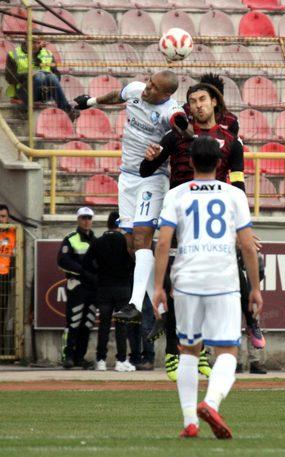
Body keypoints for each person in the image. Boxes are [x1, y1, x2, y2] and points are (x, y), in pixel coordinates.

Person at [140, 75, 265, 381]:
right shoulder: (176, 135)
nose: (197, 106)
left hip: (216, 214)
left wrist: (240, 223)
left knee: (238, 268)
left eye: (202, 100)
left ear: (214, 103)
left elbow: (238, 183)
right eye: (192, 101)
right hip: (181, 212)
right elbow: (146, 170)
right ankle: (173, 351)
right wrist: (150, 158)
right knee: (175, 284)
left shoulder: (230, 140)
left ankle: (248, 321)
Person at [152, 136, 263, 438]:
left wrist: (158, 286)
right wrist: (254, 287)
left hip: (185, 279)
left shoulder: (176, 194)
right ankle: (211, 403)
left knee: (188, 349)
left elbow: (163, 242)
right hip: (223, 279)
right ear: (219, 163)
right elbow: (248, 246)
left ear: (189, 162)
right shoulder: (233, 195)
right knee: (227, 349)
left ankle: (190, 421)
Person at [74, 70, 183, 322]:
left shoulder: (170, 111)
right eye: (149, 82)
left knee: (143, 238)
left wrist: (174, 135)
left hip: (152, 178)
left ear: (166, 94)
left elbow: (182, 128)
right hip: (127, 177)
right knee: (132, 246)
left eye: (155, 88)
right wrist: (90, 102)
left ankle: (134, 304)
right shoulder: (135, 90)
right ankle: (161, 311)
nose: (147, 88)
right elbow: (117, 95)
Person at [82, 211, 137, 372]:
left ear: (108, 224)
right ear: (120, 224)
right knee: (121, 325)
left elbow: (86, 264)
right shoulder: (125, 242)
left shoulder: (98, 242)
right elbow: (133, 263)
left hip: (104, 288)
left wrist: (97, 278)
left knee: (103, 326)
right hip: (122, 288)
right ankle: (121, 360)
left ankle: (100, 360)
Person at [58, 207, 98, 370]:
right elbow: (62, 261)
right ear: (78, 219)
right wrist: (83, 272)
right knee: (73, 322)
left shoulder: (96, 241)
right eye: (83, 218)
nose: (86, 221)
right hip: (77, 286)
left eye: (89, 218)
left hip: (93, 288)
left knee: (87, 323)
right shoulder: (70, 239)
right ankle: (67, 357)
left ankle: (80, 357)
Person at [5, 40, 77, 120]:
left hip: (45, 93)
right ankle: (24, 108)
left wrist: (48, 77)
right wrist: (28, 75)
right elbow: (9, 78)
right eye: (33, 42)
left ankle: (67, 110)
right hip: (24, 92)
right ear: (26, 40)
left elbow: (57, 75)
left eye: (38, 43)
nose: (35, 45)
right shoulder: (14, 54)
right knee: (40, 76)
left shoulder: (48, 54)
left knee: (52, 77)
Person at [0, 204, 16, 356]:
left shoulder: (12, 234)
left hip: (4, 278)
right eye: (0, 216)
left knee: (2, 315)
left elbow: (16, 256)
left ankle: (2, 351)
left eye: (4, 216)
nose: (1, 219)